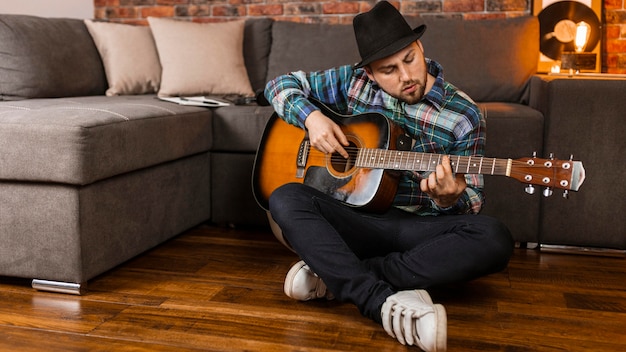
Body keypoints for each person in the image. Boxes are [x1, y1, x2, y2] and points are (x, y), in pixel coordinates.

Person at [263, 2, 514, 351]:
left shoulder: (464, 114)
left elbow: (472, 200)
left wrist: (449, 197)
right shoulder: (352, 84)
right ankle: (380, 301)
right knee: (285, 198)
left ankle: (340, 275)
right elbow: (279, 85)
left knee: (494, 238)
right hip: (357, 220)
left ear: (420, 47)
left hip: (417, 231)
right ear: (370, 73)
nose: (405, 77)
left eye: (409, 59)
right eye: (388, 70)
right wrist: (311, 119)